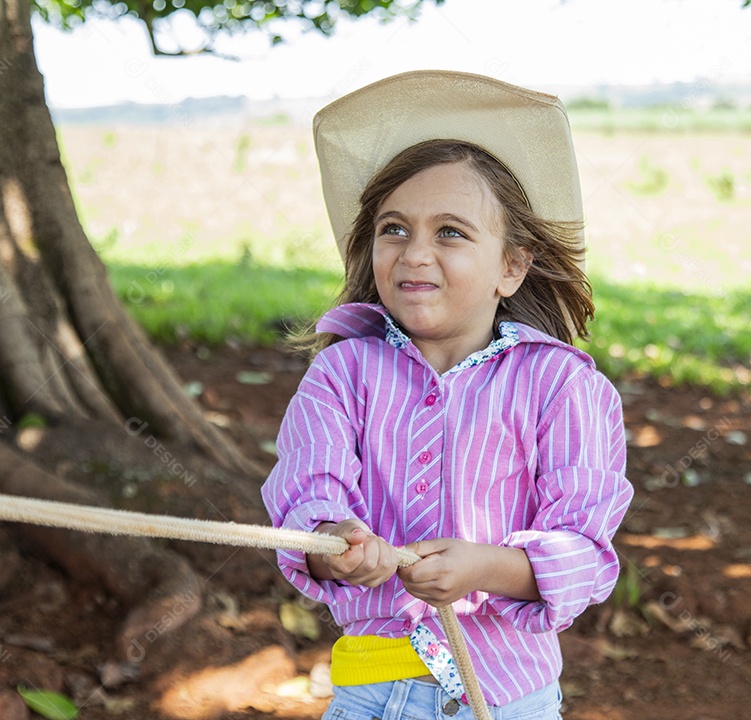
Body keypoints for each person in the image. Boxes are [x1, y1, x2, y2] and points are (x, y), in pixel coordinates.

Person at [262, 70, 634, 719]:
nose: (414, 255)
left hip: (508, 697)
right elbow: (304, 507)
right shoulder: (340, 375)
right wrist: (337, 545)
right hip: (370, 696)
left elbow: (584, 552)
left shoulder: (564, 387)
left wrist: (484, 567)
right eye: (394, 229)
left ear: (512, 267)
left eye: (451, 233)